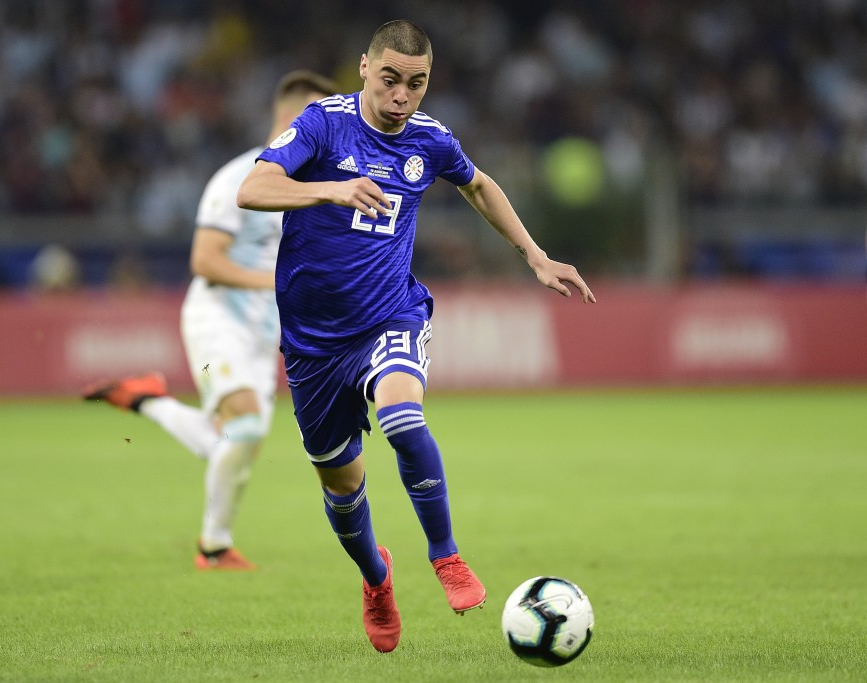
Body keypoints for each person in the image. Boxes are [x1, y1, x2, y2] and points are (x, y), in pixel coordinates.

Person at [236, 20, 596, 652]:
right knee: (341, 485)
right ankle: (377, 579)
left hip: (389, 316)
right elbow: (253, 187)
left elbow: (478, 184)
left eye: (417, 83)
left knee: (403, 416)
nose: (402, 96)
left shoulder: (429, 139)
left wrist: (535, 256)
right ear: (364, 68)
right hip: (313, 344)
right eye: (390, 79)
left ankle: (446, 555)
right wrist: (329, 188)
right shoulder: (323, 124)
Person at [83, 70, 339, 571]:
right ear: (292, 119)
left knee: (234, 440)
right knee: (244, 427)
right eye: (321, 118)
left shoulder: (312, 189)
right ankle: (213, 546)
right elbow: (205, 260)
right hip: (218, 316)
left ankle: (149, 400)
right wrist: (275, 282)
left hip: (265, 334)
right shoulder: (239, 177)